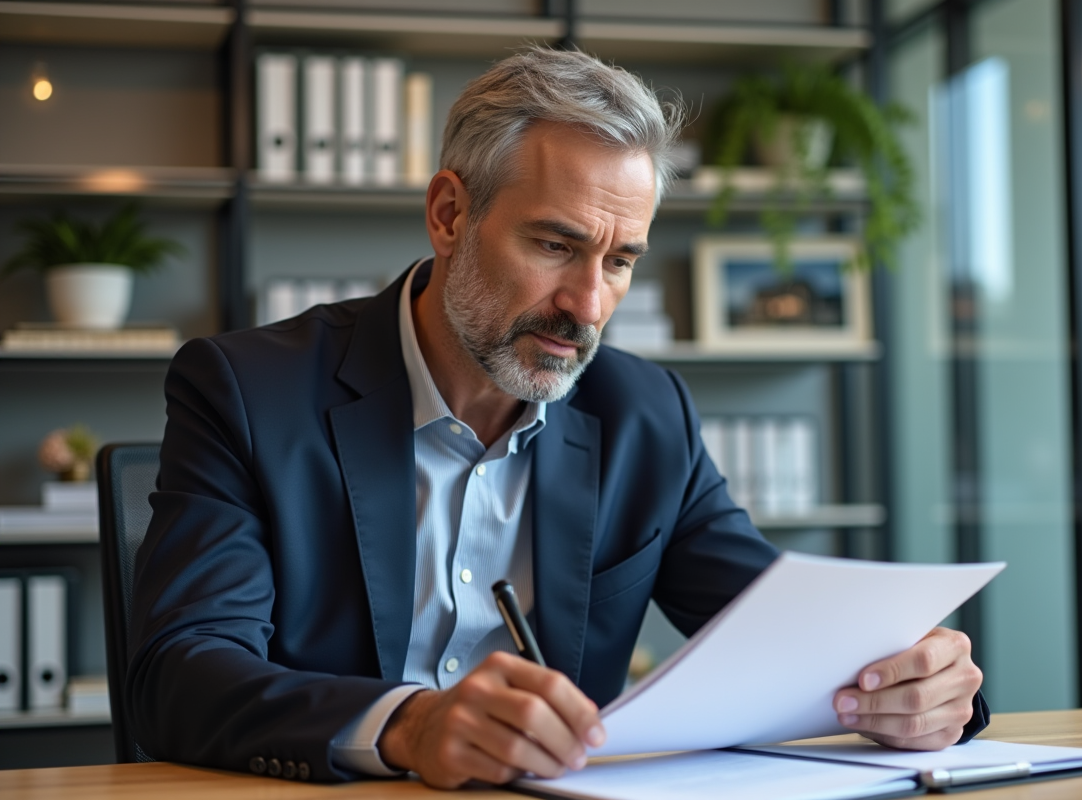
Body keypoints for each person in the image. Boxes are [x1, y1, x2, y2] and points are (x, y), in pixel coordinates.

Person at [127, 47, 986, 789]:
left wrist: (924, 683)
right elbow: (183, 675)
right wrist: (408, 726)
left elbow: (782, 633)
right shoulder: (245, 390)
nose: (587, 305)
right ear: (450, 214)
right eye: (555, 246)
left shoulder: (646, 414)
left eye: (620, 261)